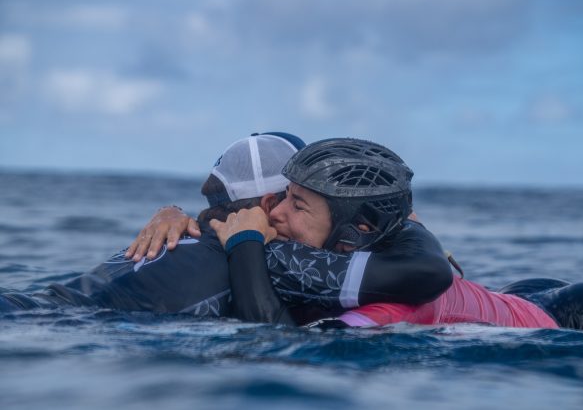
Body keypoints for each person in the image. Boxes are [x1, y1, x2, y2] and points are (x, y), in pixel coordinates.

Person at [0, 133, 452, 317]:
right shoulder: (270, 254)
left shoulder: (190, 233)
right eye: (291, 200)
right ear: (269, 202)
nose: (282, 216)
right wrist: (405, 221)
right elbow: (427, 274)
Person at [209, 138, 583, 330]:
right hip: (515, 294)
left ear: (355, 232)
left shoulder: (388, 311)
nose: (273, 213)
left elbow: (273, 342)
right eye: (284, 197)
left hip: (581, 314)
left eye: (296, 205)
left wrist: (244, 248)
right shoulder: (358, 249)